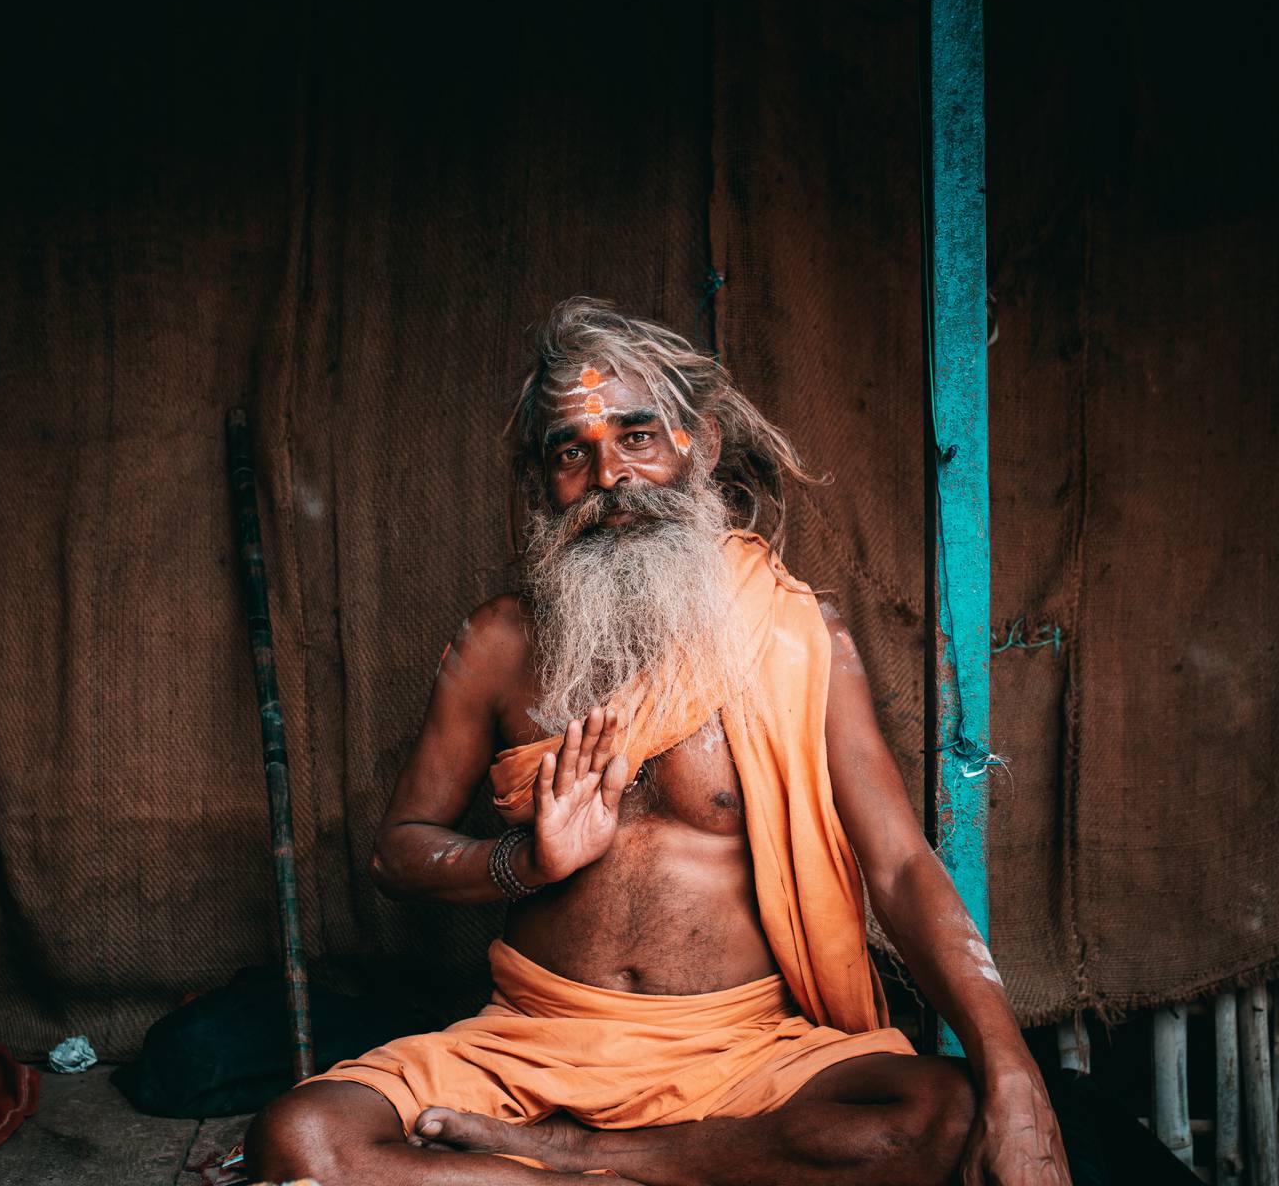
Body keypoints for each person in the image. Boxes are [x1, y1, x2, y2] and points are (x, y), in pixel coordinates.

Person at [250, 299, 1069, 1185]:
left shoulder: (794, 634)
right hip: (531, 1041)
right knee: (302, 1137)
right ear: (542, 484)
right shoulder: (499, 644)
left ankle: (584, 1162)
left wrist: (1015, 1075)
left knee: (942, 1116)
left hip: (745, 1049)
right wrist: (524, 863)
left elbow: (903, 868)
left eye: (637, 437)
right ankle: (674, 1171)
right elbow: (397, 856)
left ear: (700, 445)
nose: (611, 476)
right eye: (574, 452)